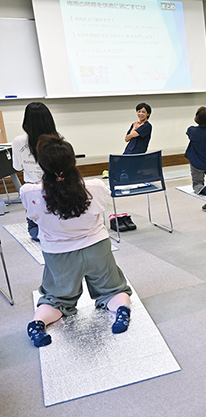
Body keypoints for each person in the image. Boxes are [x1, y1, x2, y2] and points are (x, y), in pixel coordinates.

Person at [22, 135, 132, 348]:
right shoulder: (96, 186)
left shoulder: (30, 193)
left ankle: (38, 323)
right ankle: (121, 311)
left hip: (58, 254)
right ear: (73, 161)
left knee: (56, 299)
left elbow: (34, 219)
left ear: (42, 165)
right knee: (113, 290)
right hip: (96, 249)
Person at [11, 102, 60, 242]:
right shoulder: (58, 139)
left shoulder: (18, 141)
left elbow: (17, 167)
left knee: (34, 230)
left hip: (32, 191)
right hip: (56, 191)